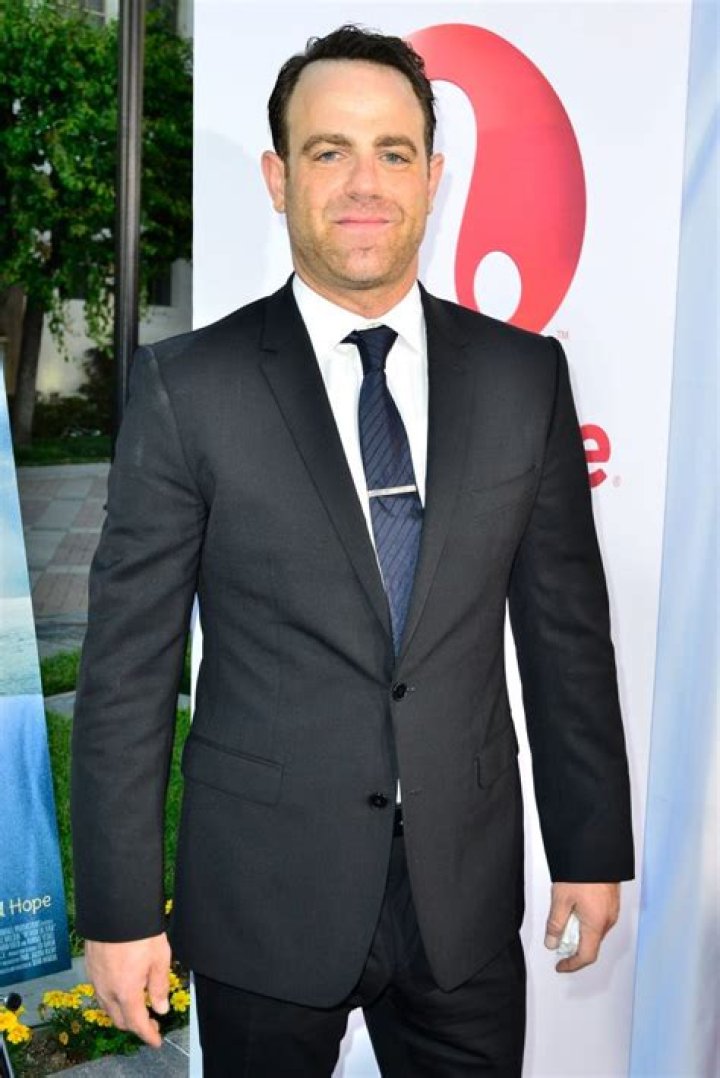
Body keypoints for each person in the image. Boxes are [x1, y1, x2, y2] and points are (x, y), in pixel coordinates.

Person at [71, 25, 634, 1077]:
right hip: (262, 895)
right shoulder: (190, 388)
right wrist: (117, 909)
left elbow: (565, 634)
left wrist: (590, 847)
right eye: (329, 151)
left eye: (392, 152)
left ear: (433, 177)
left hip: (464, 897)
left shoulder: (524, 377)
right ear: (278, 177)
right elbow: (126, 670)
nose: (364, 183)